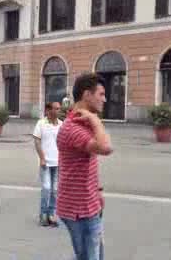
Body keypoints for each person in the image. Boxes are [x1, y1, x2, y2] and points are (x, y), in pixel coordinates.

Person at [57, 73, 113, 260]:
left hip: (88, 204)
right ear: (87, 95)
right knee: (89, 256)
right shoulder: (73, 128)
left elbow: (88, 163)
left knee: (91, 254)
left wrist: (97, 190)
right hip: (79, 210)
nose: (105, 99)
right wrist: (96, 120)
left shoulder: (83, 122)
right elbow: (106, 148)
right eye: (101, 94)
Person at [33, 102, 63, 227]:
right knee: (46, 188)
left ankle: (51, 215)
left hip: (58, 162)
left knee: (55, 190)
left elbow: (64, 143)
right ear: (49, 110)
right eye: (56, 109)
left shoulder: (62, 124)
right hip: (46, 162)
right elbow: (37, 141)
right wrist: (42, 158)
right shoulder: (41, 123)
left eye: (59, 109)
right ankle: (43, 214)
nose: (58, 111)